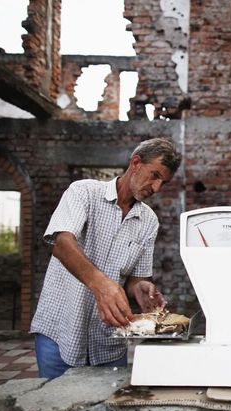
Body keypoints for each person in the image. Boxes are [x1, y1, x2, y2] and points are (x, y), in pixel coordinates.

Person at [30, 137, 182, 379]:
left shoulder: (149, 220)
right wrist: (101, 284)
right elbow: (61, 243)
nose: (156, 188)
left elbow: (135, 278)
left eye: (163, 182)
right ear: (135, 163)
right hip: (60, 329)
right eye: (154, 175)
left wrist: (140, 288)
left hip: (108, 341)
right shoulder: (84, 192)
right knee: (53, 410)